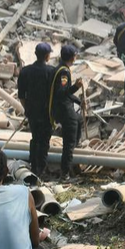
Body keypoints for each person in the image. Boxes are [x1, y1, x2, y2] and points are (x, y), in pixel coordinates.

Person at [17, 43, 54, 178]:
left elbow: (21, 95)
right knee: (44, 141)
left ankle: (33, 165)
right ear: (47, 56)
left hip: (32, 111)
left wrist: (27, 109)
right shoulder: (51, 72)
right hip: (46, 113)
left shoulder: (25, 71)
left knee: (35, 138)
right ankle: (41, 170)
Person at [49, 45, 84, 180]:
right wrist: (76, 87)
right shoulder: (64, 72)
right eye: (75, 55)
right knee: (68, 144)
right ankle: (65, 174)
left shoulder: (59, 68)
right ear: (72, 57)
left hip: (62, 107)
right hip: (64, 110)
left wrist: (79, 101)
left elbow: (65, 93)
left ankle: (76, 145)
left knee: (79, 119)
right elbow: (62, 93)